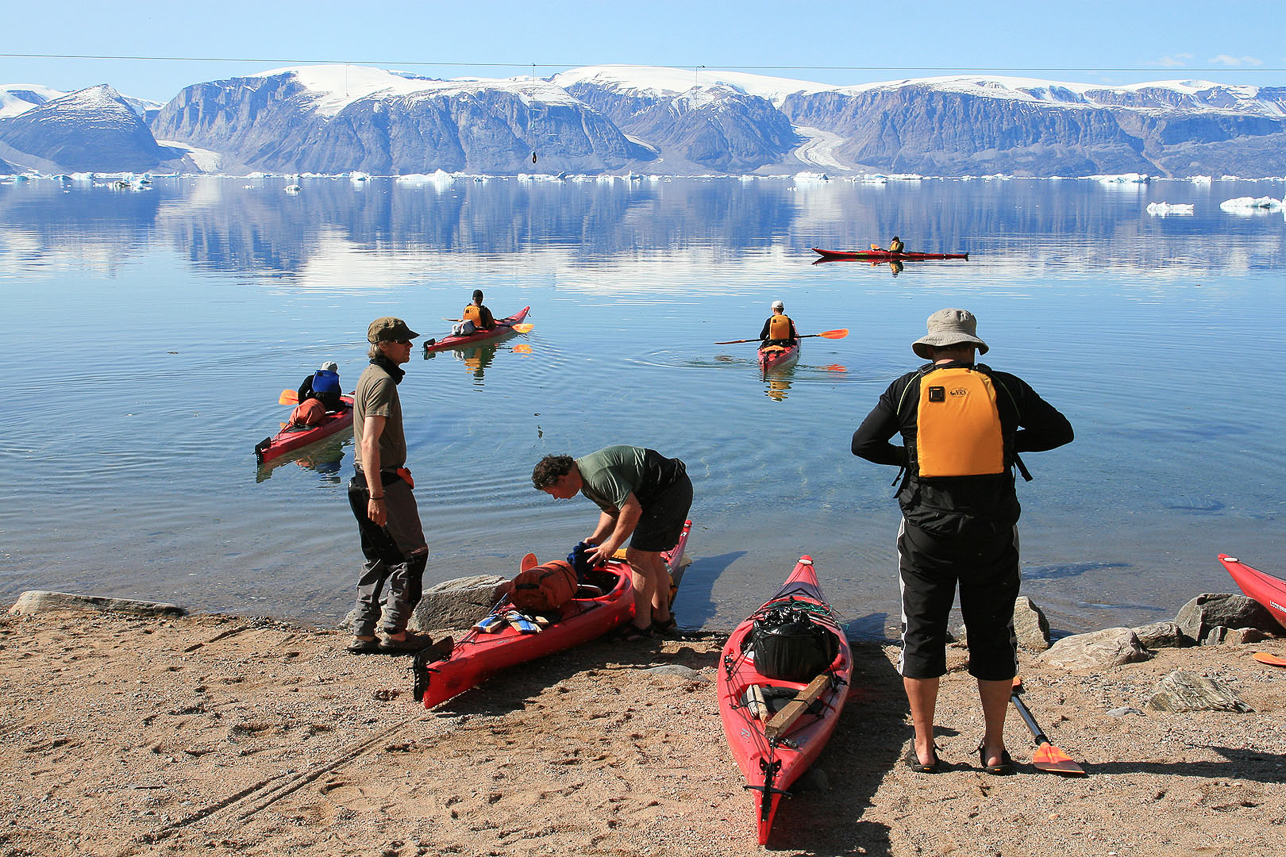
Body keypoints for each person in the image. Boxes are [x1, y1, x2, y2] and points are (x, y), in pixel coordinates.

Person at [850, 308, 1072, 775]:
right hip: (991, 534)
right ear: (973, 348)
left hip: (925, 534)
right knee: (993, 636)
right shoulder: (1006, 387)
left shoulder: (907, 388)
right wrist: (1005, 444)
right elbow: (1059, 432)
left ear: (931, 350)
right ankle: (993, 748)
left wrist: (912, 457)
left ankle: (926, 748)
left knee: (922, 633)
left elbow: (863, 444)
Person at [532, 446, 693, 640]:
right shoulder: (584, 481)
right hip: (657, 493)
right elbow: (612, 510)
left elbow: (631, 509)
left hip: (670, 490)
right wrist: (597, 539)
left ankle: (642, 626)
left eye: (553, 492)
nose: (556, 497)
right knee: (649, 556)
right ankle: (662, 619)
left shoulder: (596, 475)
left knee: (637, 556)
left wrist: (612, 546)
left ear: (562, 479)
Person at [346, 317, 436, 655]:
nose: (410, 345)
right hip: (381, 483)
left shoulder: (369, 375)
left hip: (360, 481)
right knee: (413, 556)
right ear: (384, 345)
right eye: (403, 341)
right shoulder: (382, 382)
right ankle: (396, 633)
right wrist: (379, 495)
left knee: (378, 556)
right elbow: (370, 443)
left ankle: (363, 632)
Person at [290, 360, 344, 427]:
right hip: (329, 407)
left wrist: (302, 405)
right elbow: (338, 394)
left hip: (312, 406)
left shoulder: (311, 378)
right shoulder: (334, 381)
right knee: (342, 404)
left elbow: (301, 391)